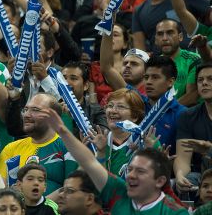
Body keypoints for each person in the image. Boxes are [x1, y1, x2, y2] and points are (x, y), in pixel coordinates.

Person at [45, 107, 188, 214]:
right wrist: (62, 131)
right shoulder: (120, 191)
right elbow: (89, 162)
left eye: (140, 171)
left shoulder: (175, 212)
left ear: (160, 181)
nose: (131, 175)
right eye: (130, 169)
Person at [0, 93, 78, 195]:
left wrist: (38, 207)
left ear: (53, 117)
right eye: (25, 110)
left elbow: (71, 190)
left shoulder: (68, 147)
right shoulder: (11, 148)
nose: (26, 115)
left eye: (35, 110)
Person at [175, 62, 212, 195]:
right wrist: (180, 175)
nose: (204, 83)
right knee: (186, 181)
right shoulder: (188, 115)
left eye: (210, 79)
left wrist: (209, 150)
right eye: (200, 80)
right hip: (201, 175)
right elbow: (183, 158)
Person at [154, 18, 201, 106]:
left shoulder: (193, 59)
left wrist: (166, 112)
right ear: (156, 40)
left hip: (187, 115)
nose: (164, 38)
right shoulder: (153, 64)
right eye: (160, 34)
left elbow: (192, 95)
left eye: (170, 33)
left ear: (180, 37)